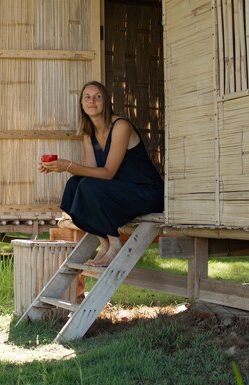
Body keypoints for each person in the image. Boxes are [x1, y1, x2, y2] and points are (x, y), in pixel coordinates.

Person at [39, 81, 164, 266]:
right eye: (87, 97)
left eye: (98, 96)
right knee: (75, 185)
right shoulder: (89, 134)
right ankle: (104, 242)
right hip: (119, 192)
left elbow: (107, 173)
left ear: (106, 102)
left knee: (87, 186)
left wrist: (68, 165)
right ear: (82, 104)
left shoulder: (121, 126)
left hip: (145, 192)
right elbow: (92, 174)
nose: (92, 101)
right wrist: (57, 166)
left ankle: (114, 243)